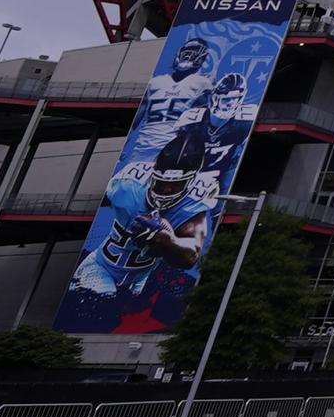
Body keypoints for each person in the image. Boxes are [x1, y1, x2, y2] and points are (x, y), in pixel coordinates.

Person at [58, 127, 223, 331]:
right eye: (162, 183)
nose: (166, 189)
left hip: (139, 280)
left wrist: (167, 241)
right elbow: (99, 207)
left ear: (190, 181)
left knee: (172, 298)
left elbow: (191, 256)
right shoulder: (129, 185)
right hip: (101, 268)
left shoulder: (195, 202)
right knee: (97, 317)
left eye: (175, 185)